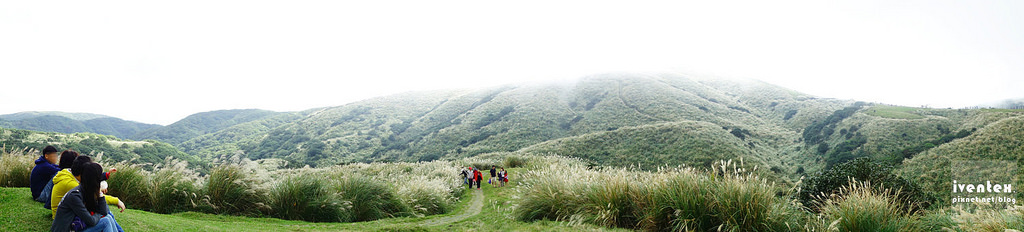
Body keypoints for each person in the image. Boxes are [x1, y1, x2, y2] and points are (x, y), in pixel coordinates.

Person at [51, 162, 124, 232]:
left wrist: (100, 193)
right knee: (106, 221)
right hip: (66, 229)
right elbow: (91, 221)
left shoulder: (86, 190)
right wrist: (99, 213)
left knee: (109, 217)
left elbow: (104, 212)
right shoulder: (75, 195)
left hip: (76, 227)